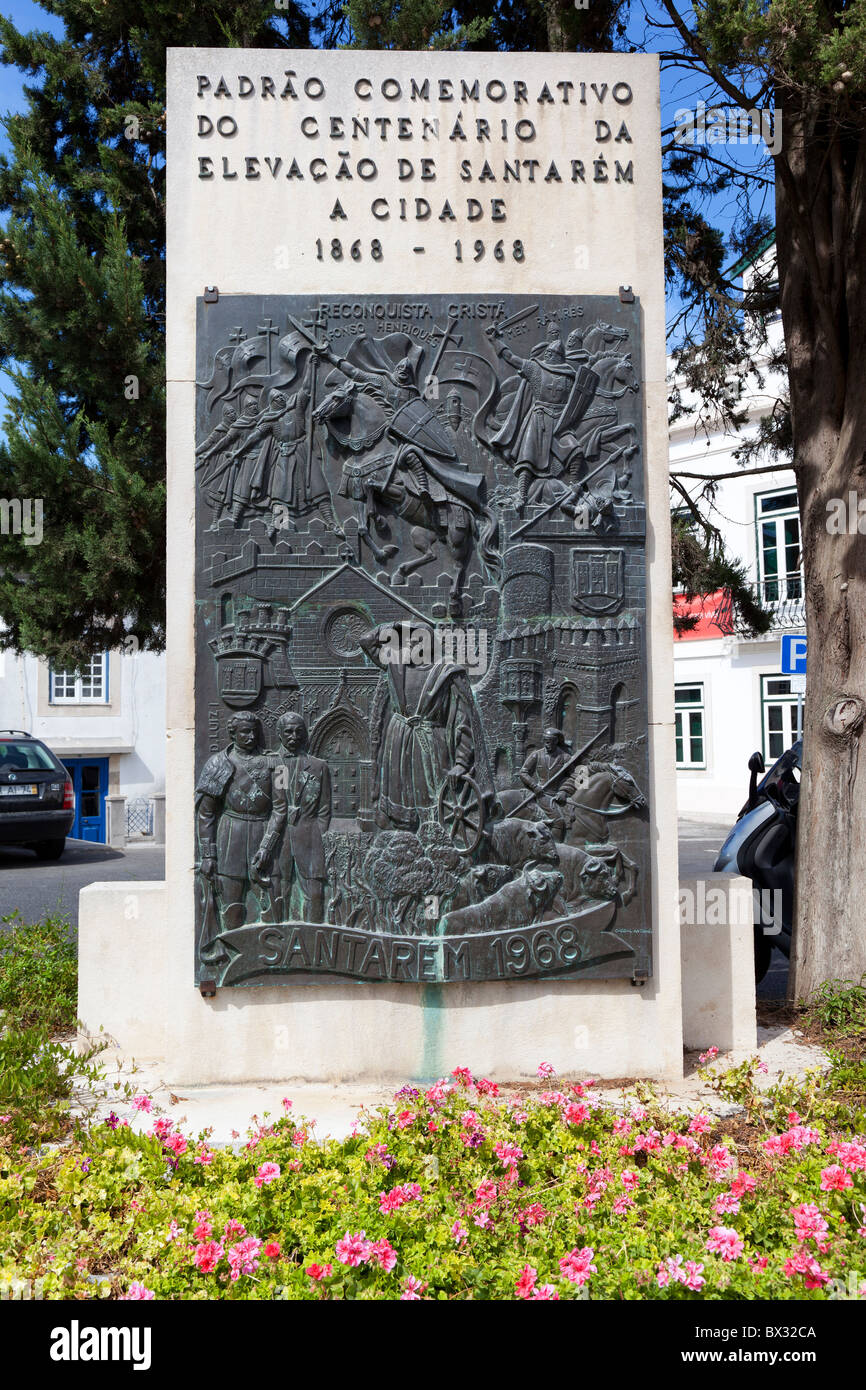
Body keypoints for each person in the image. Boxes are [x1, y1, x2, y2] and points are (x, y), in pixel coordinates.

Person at [358, 622, 494, 833]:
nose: (411, 646)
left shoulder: (447, 673)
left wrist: (460, 763)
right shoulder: (396, 664)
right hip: (399, 742)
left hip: (432, 747)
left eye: (417, 641)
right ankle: (404, 843)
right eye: (409, 641)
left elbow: (463, 721)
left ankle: (436, 840)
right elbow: (366, 640)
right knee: (401, 805)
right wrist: (397, 626)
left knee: (433, 807)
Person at [195, 713, 273, 940]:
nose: (250, 737)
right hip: (231, 835)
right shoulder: (218, 764)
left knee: (270, 903)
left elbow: (283, 801)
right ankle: (232, 951)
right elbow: (206, 813)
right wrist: (208, 856)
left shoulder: (275, 763)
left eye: (253, 732)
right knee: (232, 902)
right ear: (233, 734)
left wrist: (269, 845)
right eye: (244, 732)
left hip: (263, 832)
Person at [254, 713, 331, 923]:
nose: (293, 736)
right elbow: (279, 803)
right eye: (288, 731)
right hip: (282, 839)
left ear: (305, 735)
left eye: (298, 731)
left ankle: (314, 938)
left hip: (311, 838)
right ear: (279, 734)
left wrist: (318, 834)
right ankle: (280, 937)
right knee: (281, 891)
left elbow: (324, 810)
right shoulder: (277, 766)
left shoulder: (318, 766)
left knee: (315, 893)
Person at [518, 727, 576, 842]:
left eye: (549, 741)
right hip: (542, 794)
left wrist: (564, 791)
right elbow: (523, 772)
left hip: (558, 795)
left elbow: (578, 777)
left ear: (556, 741)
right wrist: (534, 786)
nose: (546, 744)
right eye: (545, 741)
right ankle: (557, 848)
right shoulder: (537, 755)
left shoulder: (565, 757)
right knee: (558, 821)